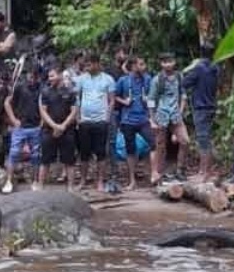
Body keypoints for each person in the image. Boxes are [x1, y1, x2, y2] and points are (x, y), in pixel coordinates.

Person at [73, 55, 116, 191]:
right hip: (85, 121)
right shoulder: (81, 79)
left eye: (90, 64)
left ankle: (100, 182)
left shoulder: (108, 79)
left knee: (101, 153)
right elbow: (77, 99)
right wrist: (78, 118)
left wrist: (107, 118)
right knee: (84, 153)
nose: (87, 67)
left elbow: (112, 100)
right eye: (86, 65)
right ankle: (83, 181)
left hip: (101, 121)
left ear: (97, 64)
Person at [114, 57, 155, 190]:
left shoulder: (148, 79)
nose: (144, 66)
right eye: (141, 64)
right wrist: (124, 102)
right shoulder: (123, 80)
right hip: (128, 120)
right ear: (133, 66)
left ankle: (153, 175)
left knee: (153, 145)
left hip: (143, 119)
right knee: (130, 150)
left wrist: (150, 111)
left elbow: (153, 98)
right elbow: (114, 96)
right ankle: (132, 180)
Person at [148, 52, 188, 182]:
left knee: (185, 141)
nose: (168, 64)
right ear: (161, 64)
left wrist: (180, 112)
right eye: (165, 62)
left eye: (170, 61)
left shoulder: (179, 77)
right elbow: (151, 100)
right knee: (160, 146)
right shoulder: (157, 80)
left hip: (176, 115)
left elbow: (183, 95)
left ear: (174, 62)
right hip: (161, 115)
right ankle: (157, 173)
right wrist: (152, 119)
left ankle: (180, 170)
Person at [2, 64, 43, 193]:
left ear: (39, 77)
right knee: (13, 153)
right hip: (20, 126)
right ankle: (8, 180)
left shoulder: (41, 88)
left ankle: (35, 180)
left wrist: (42, 123)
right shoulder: (19, 86)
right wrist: (13, 120)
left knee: (36, 155)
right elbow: (7, 102)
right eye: (30, 75)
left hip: (35, 126)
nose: (32, 79)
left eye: (35, 76)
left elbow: (43, 107)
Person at [183, 42, 221, 181]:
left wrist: (190, 66)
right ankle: (204, 171)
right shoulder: (215, 67)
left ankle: (204, 173)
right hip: (211, 106)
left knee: (203, 140)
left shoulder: (198, 68)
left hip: (200, 107)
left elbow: (184, 82)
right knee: (206, 139)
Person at [40, 66, 79, 191]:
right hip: (49, 129)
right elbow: (43, 112)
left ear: (60, 75)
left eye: (52, 76)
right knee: (45, 160)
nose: (50, 78)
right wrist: (55, 126)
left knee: (69, 160)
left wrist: (63, 126)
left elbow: (74, 111)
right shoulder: (45, 92)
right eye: (49, 76)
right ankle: (40, 186)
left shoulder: (70, 92)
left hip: (67, 130)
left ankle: (71, 187)